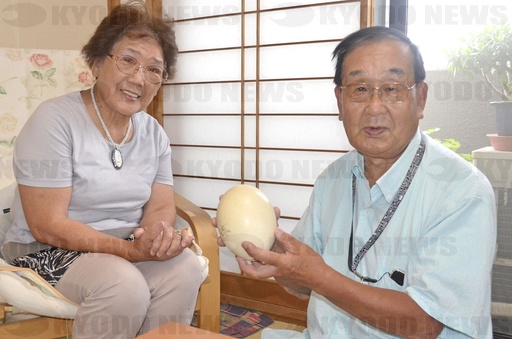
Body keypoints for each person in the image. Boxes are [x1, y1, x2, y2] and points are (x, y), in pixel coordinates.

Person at [215, 26, 497, 338]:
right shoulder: (333, 179)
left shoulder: (462, 191)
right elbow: (300, 284)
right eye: (359, 89)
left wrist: (319, 276)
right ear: (340, 100)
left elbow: (424, 323)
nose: (375, 107)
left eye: (392, 88)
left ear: (421, 99)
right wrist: (270, 248)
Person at [1, 2, 202, 338]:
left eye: (154, 69)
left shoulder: (153, 133)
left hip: (122, 246)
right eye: (128, 60)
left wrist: (154, 237)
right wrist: (128, 252)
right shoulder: (54, 121)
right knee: (123, 284)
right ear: (96, 62)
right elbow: (47, 225)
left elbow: (161, 206)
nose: (139, 78)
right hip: (46, 251)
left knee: (183, 268)